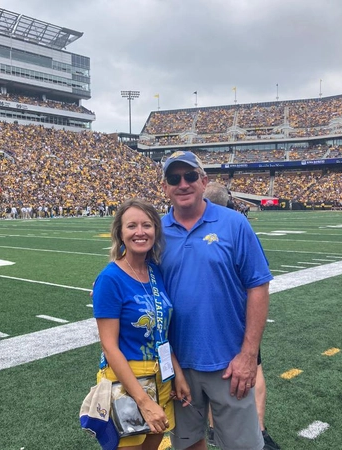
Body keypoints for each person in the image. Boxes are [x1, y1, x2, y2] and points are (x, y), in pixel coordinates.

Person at [160, 151, 274, 450]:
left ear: (204, 180)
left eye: (190, 176)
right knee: (186, 444)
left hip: (229, 364)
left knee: (243, 446)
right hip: (178, 367)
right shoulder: (156, 231)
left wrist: (249, 356)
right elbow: (133, 275)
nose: (183, 184)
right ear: (165, 187)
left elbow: (258, 287)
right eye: (174, 178)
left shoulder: (234, 224)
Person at [92, 198, 191, 450]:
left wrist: (176, 374)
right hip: (128, 383)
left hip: (161, 379)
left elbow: (162, 332)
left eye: (146, 225)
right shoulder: (110, 278)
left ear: (155, 231)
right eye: (131, 226)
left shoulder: (155, 271)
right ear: (120, 233)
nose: (140, 232)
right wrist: (143, 401)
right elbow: (109, 347)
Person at [203, 182, 280, 450]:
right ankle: (258, 429)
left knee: (216, 378)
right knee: (253, 374)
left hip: (208, 324)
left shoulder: (219, 225)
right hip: (236, 322)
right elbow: (258, 282)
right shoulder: (237, 225)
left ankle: (215, 428)